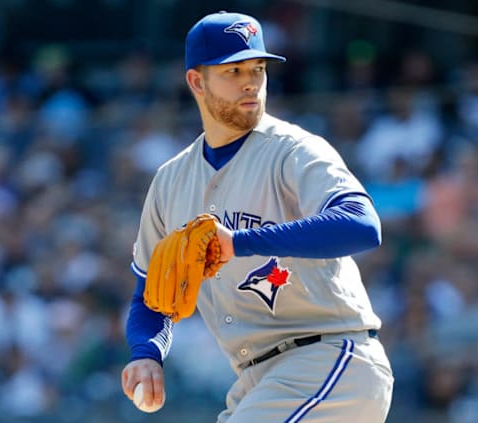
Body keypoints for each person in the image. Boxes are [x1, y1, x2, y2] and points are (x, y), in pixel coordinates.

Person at [120, 11, 394, 423]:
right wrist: (147, 353)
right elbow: (149, 296)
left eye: (258, 68)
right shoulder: (171, 181)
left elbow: (362, 224)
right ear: (197, 81)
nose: (250, 81)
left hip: (329, 360)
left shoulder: (293, 150)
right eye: (233, 71)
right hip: (257, 381)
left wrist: (242, 242)